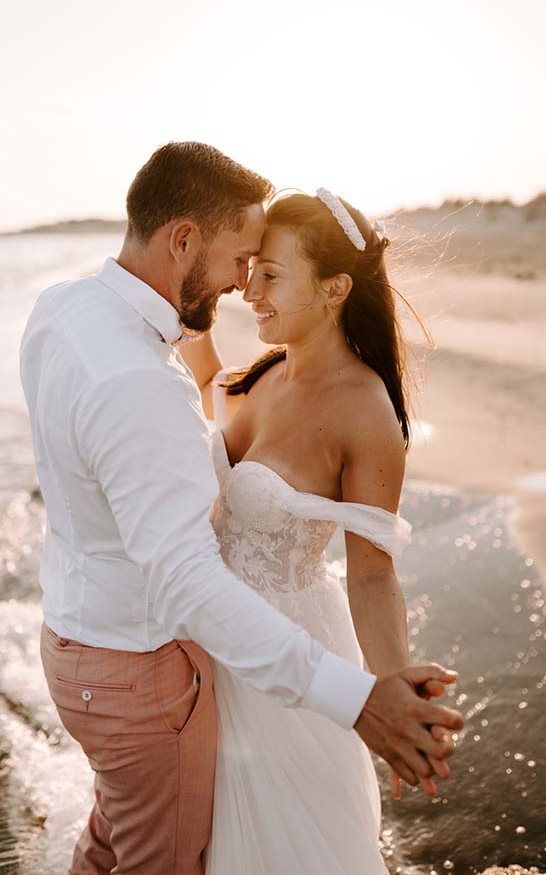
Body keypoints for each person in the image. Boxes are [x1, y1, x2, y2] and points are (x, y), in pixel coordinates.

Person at [19, 142, 464, 875]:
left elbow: (373, 574)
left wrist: (387, 688)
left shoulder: (64, 310)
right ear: (184, 239)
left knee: (189, 843)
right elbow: (181, 419)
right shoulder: (240, 377)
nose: (244, 289)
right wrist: (358, 702)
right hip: (198, 660)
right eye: (242, 266)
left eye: (268, 272)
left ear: (334, 290)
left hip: (260, 657)